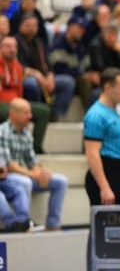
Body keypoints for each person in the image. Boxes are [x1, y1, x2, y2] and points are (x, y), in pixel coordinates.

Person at [84, 67, 120, 271]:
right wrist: (104, 186)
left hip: (117, 172)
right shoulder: (96, 114)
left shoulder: (114, 112)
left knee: (115, 233)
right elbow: (92, 154)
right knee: (99, 233)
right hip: (104, 175)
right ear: (107, 87)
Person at [0, 97, 68, 229]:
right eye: (26, 113)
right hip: (10, 176)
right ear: (14, 114)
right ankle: (25, 223)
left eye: (30, 112)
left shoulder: (26, 133)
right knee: (25, 182)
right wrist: (31, 174)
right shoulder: (2, 132)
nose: (30, 116)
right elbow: (8, 165)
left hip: (26, 174)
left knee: (61, 181)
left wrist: (38, 171)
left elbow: (32, 160)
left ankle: (53, 224)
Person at [0, 34, 49, 153]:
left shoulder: (18, 67)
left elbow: (19, 90)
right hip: (2, 103)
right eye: (8, 46)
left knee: (43, 111)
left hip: (16, 102)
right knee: (9, 111)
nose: (12, 50)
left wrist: (23, 107)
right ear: (0, 48)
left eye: (14, 47)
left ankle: (34, 148)